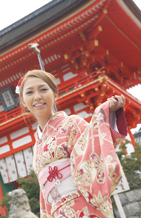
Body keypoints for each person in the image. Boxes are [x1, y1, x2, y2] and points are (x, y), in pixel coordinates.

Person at [17, 69, 127, 218]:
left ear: (54, 94)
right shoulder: (37, 146)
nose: (37, 96)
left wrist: (105, 112)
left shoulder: (72, 123)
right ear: (23, 101)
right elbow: (45, 195)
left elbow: (93, 151)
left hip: (83, 208)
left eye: (43, 89)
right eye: (29, 92)